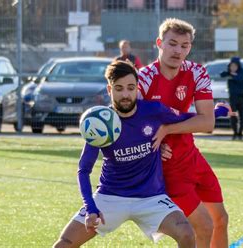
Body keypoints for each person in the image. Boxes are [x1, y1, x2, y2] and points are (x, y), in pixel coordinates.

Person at [53, 61, 196, 248]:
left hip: (151, 197)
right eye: (119, 88)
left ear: (137, 88)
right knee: (64, 244)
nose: (126, 94)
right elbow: (83, 170)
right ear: (109, 89)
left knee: (186, 233)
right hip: (110, 196)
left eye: (131, 88)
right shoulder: (101, 123)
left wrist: (218, 111)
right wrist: (91, 208)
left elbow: (186, 117)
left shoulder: (152, 111)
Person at [138, 18, 229, 248]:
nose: (178, 51)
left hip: (192, 157)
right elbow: (131, 122)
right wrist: (151, 145)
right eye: (172, 43)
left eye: (184, 45)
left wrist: (168, 129)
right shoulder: (144, 78)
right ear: (159, 43)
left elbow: (207, 122)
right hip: (169, 168)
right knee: (203, 226)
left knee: (220, 219)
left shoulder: (197, 72)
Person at [220, 57, 243, 140]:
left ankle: (240, 134)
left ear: (238, 66)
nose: (233, 68)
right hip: (232, 98)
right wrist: (230, 73)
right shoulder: (229, 73)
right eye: (231, 66)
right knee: (233, 116)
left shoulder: (241, 72)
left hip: (240, 97)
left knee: (241, 117)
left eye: (235, 66)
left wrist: (233, 75)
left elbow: (239, 78)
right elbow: (222, 74)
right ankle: (235, 133)